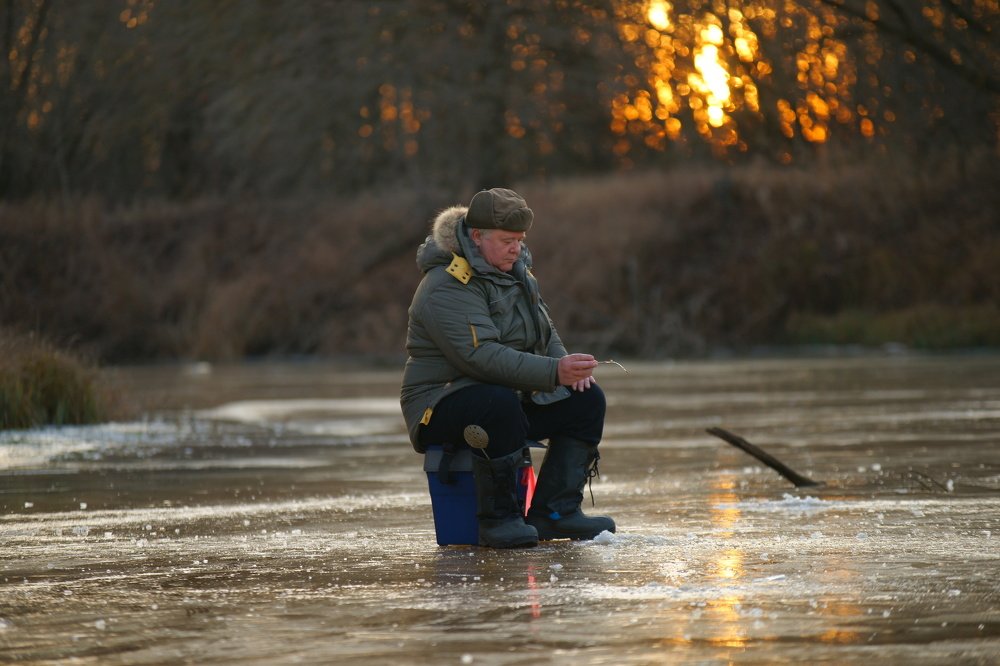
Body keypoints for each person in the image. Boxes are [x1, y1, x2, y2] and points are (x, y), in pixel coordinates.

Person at [400, 187, 616, 548]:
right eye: (506, 240)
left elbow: (546, 336)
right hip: (438, 404)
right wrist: (552, 373)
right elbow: (480, 357)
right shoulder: (446, 285)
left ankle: (555, 512)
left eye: (519, 239)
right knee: (496, 403)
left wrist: (568, 369)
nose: (515, 248)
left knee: (585, 400)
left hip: (501, 397)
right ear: (476, 236)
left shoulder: (519, 275)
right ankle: (498, 520)